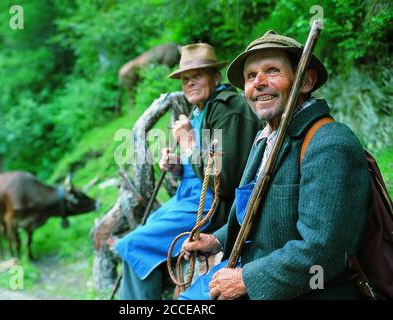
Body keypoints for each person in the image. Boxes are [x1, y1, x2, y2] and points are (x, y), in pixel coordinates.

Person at [180, 30, 371, 300]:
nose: (258, 82)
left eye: (272, 70)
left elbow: (324, 250)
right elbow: (258, 215)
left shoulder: (329, 143)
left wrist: (247, 280)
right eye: (250, 76)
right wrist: (217, 240)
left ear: (305, 80)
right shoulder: (265, 140)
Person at [115, 43, 261, 299]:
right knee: (142, 233)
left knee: (133, 244)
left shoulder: (227, 109)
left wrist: (189, 143)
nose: (189, 84)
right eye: (185, 79)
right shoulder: (201, 111)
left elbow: (221, 182)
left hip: (210, 209)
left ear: (215, 77)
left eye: (197, 76)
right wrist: (176, 167)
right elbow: (199, 170)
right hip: (186, 200)